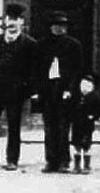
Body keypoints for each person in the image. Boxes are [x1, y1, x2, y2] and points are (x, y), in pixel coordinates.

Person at [0, 3, 37, 171]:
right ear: (5, 20)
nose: (12, 23)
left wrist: (26, 90)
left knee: (14, 126)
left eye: (16, 20)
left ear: (21, 22)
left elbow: (34, 71)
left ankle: (12, 160)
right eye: (9, 19)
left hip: (16, 94)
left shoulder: (29, 44)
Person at [36, 12, 83, 173]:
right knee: (49, 128)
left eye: (62, 26)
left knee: (63, 127)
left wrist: (71, 89)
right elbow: (37, 70)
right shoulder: (41, 45)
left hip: (65, 90)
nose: (59, 28)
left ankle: (64, 161)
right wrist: (37, 90)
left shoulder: (73, 45)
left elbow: (78, 70)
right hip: (48, 90)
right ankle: (51, 161)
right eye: (56, 26)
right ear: (50, 27)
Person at [70, 74, 100, 174]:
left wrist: (94, 116)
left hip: (87, 125)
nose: (84, 89)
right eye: (82, 86)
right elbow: (71, 107)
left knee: (86, 145)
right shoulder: (76, 96)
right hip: (76, 124)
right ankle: (76, 165)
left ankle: (86, 165)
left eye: (87, 86)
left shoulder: (95, 97)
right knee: (76, 144)